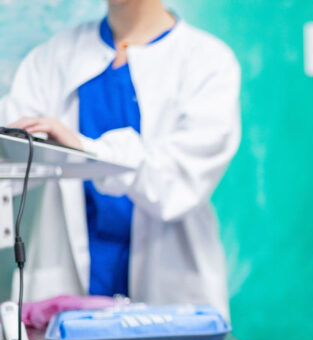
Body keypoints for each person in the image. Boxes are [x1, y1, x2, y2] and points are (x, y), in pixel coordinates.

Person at [0, 0, 240, 317]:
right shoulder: (52, 59)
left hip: (171, 291)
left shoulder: (208, 62)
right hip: (66, 294)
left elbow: (178, 182)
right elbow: (10, 159)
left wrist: (85, 151)